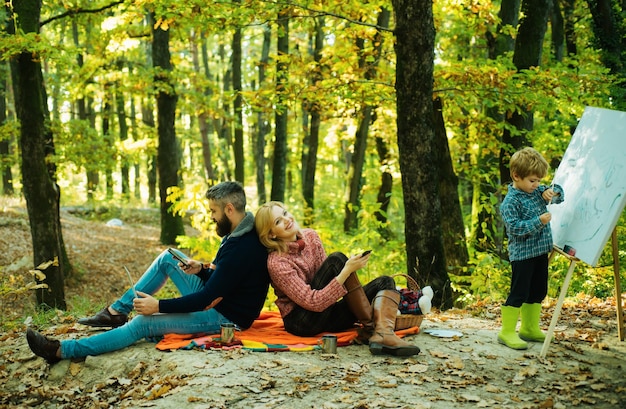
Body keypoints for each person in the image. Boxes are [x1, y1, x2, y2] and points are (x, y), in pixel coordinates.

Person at [27, 181, 270, 364]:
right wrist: (202, 269)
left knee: (143, 323)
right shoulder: (238, 233)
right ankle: (117, 312)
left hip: (225, 317)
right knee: (168, 258)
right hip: (218, 299)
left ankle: (62, 351)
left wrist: (158, 306)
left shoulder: (242, 247)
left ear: (229, 209)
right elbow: (226, 280)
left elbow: (206, 299)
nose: (211, 217)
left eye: (213, 212)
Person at [254, 201, 420, 357]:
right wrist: (347, 270)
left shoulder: (311, 237)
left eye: (285, 213)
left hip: (326, 312)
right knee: (337, 260)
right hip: (302, 322)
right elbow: (313, 302)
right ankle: (374, 330)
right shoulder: (277, 262)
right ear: (271, 234)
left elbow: (326, 285)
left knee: (385, 282)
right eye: (278, 221)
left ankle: (383, 334)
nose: (287, 219)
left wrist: (346, 272)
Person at [499, 147, 564, 350]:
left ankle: (528, 328)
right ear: (516, 176)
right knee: (519, 292)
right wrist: (539, 221)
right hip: (522, 255)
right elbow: (516, 228)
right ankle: (507, 331)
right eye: (532, 181)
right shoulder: (510, 202)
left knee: (538, 291)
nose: (536, 185)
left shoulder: (536, 191)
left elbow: (559, 196)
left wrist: (553, 192)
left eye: (538, 181)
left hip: (540, 253)